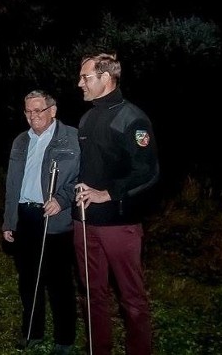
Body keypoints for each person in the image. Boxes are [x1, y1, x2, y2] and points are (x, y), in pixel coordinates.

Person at [74, 53, 159, 355]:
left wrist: (106, 193)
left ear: (106, 78)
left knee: (131, 298)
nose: (79, 83)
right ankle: (99, 349)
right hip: (84, 223)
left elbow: (147, 171)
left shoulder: (132, 118)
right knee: (91, 293)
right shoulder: (87, 117)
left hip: (120, 224)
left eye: (86, 77)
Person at [2, 90, 79, 354]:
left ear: (53, 110)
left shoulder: (72, 138)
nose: (34, 116)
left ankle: (64, 338)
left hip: (55, 216)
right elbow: (12, 184)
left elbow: (84, 177)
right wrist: (9, 220)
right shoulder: (20, 141)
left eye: (39, 110)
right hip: (26, 216)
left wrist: (62, 198)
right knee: (28, 280)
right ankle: (33, 331)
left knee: (58, 281)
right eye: (29, 111)